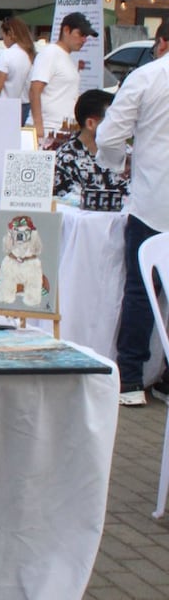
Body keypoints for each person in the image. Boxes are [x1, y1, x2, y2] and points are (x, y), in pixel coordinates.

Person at [95, 37, 169, 406]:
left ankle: (130, 380)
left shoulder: (148, 76)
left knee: (141, 290)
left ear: (162, 43)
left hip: (154, 198)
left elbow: (109, 134)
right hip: (154, 195)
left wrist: (117, 161)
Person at [53, 89, 128, 198]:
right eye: (114, 121)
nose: (120, 126)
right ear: (90, 123)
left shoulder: (127, 153)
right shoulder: (65, 160)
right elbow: (64, 204)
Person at [29, 12, 95, 136]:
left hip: (62, 129)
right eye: (81, 34)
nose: (84, 40)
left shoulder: (66, 58)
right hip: (48, 128)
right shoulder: (50, 53)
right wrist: (38, 126)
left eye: (86, 36)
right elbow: (34, 90)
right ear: (66, 30)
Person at [0, 16, 36, 123]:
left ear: (10, 34)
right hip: (20, 106)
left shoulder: (7, 54)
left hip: (1, 107)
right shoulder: (29, 55)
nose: (3, 40)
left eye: (3, 35)